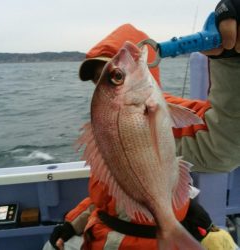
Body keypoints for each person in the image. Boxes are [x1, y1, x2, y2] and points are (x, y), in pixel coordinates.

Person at [44, 0, 240, 249]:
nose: (98, 84)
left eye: (113, 75)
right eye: (98, 78)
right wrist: (74, 222)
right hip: (96, 235)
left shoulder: (157, 113)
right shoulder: (107, 125)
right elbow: (110, 192)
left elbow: (224, 142)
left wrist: (231, 61)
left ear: (148, 67)